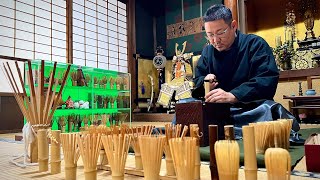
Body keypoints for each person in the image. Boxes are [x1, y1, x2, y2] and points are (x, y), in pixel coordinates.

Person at [175, 4, 301, 140]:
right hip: (216, 112)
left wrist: (233, 95)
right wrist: (206, 82)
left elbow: (266, 79)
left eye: (220, 33)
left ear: (233, 26)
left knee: (269, 110)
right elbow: (198, 80)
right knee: (184, 105)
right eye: (210, 35)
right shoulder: (207, 51)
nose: (215, 40)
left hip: (248, 109)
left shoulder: (255, 44)